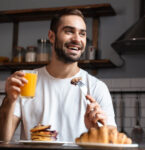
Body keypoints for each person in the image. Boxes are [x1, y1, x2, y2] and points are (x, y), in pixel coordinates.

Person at [0, 9, 116, 142]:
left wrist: (97, 130)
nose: (77, 39)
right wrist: (9, 101)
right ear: (51, 36)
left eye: (82, 34)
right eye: (69, 31)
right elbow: (3, 139)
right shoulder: (27, 81)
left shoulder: (96, 88)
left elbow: (112, 142)